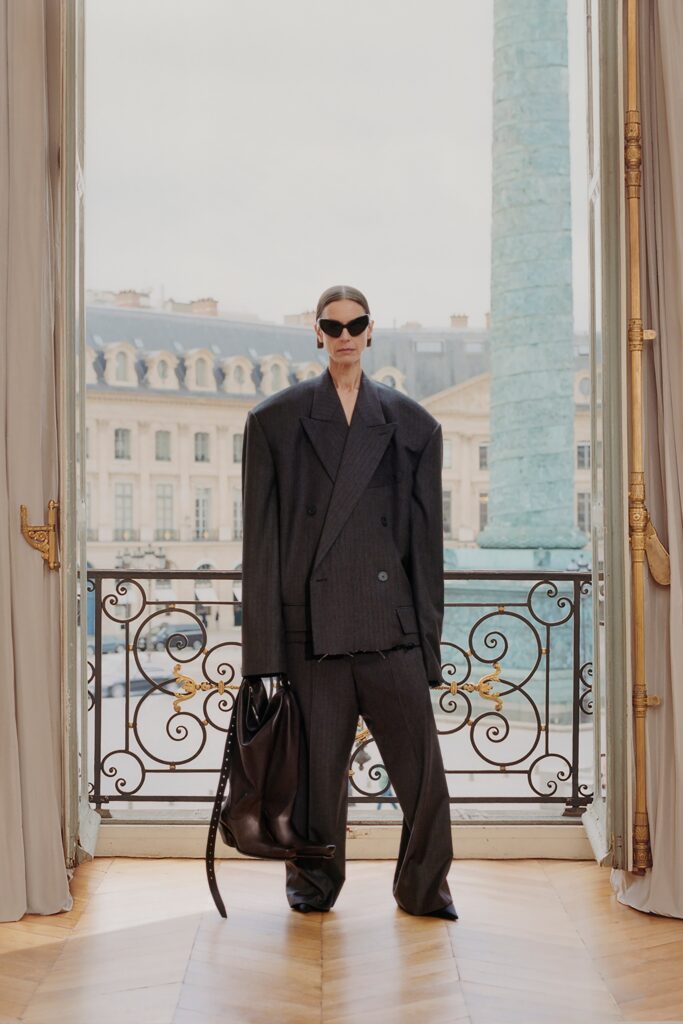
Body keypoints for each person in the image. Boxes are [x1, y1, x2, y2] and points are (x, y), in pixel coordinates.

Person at [239, 284, 457, 920]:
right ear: (316, 332)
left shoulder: (414, 426)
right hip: (313, 636)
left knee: (423, 779)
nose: (344, 336)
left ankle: (424, 888)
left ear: (369, 330)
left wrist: (428, 647)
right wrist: (263, 657)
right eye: (332, 326)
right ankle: (313, 885)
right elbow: (261, 549)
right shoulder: (274, 422)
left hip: (392, 632)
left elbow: (426, 551)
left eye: (354, 325)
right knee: (315, 780)